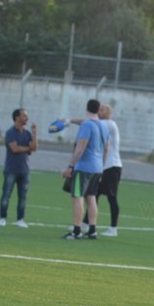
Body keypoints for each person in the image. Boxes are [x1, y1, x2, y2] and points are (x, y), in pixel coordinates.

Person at [61, 99, 109, 239]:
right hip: (97, 167)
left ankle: (76, 230)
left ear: (86, 108)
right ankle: (92, 230)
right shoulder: (103, 126)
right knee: (91, 197)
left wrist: (70, 166)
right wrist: (102, 168)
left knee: (77, 197)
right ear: (98, 109)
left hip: (84, 167)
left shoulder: (87, 125)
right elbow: (107, 149)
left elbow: (80, 148)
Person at [80, 104, 122, 237]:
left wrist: (69, 121)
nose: (99, 111)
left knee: (111, 197)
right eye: (99, 109)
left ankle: (113, 228)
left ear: (109, 113)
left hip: (112, 166)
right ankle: (86, 224)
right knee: (93, 194)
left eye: (102, 110)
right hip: (102, 166)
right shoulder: (100, 124)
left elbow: (87, 122)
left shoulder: (109, 124)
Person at [0, 108, 38, 228]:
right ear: (17, 117)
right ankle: (2, 218)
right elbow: (15, 149)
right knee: (6, 194)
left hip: (24, 170)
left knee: (23, 196)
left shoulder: (27, 134)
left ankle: (20, 219)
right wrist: (27, 148)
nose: (27, 118)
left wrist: (34, 133)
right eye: (24, 116)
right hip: (11, 169)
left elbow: (34, 148)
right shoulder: (10, 132)